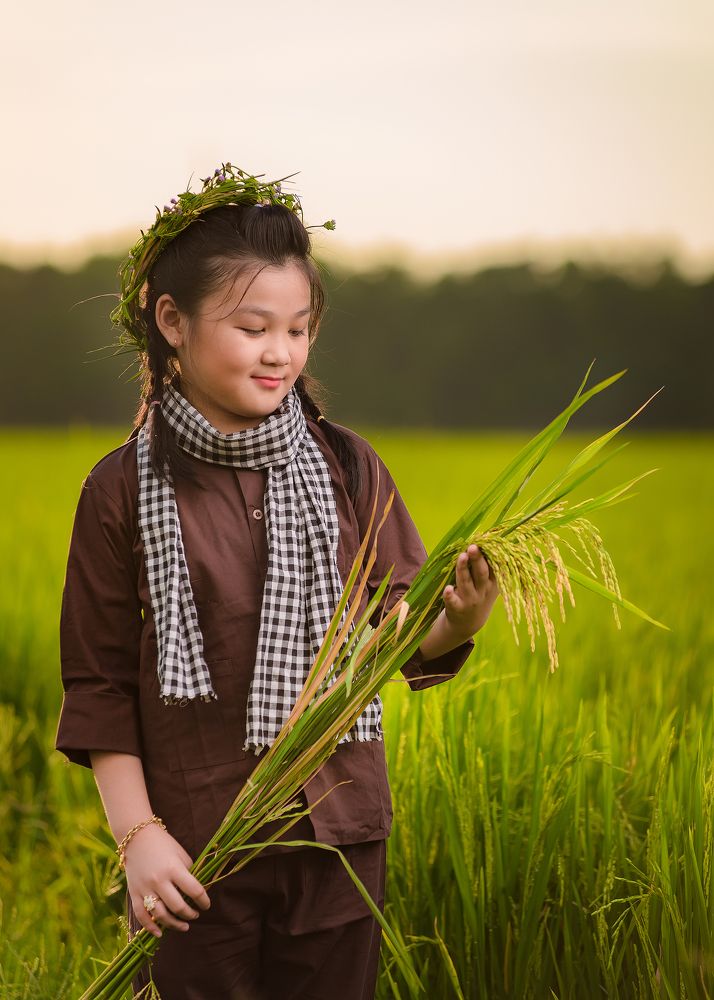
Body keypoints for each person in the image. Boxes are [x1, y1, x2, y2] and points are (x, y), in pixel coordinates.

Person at [54, 163, 500, 1000]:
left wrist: (458, 623)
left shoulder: (345, 465)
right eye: (255, 326)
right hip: (196, 851)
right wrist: (139, 837)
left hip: (340, 838)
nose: (280, 352)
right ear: (172, 322)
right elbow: (100, 683)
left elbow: (389, 638)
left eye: (299, 329)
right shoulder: (119, 491)